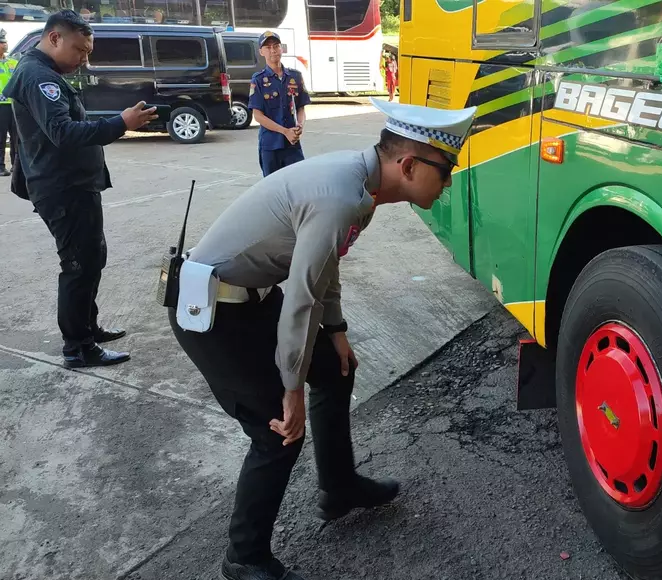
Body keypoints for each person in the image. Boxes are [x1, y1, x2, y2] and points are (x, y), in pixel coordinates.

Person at [167, 97, 477, 580]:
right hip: (212, 312)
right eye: (446, 168)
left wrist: (336, 331)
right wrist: (290, 386)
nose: (450, 180)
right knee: (279, 431)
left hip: (251, 295)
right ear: (409, 165)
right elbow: (303, 297)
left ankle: (339, 487)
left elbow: (321, 268)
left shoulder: (362, 184)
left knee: (335, 369)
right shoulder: (343, 196)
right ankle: (244, 558)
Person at [4, 10, 157, 368]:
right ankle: (78, 347)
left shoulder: (46, 73)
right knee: (77, 265)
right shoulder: (38, 76)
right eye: (79, 50)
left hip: (74, 187)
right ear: (55, 38)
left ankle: (88, 328)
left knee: (91, 259)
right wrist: (121, 123)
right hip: (63, 190)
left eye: (88, 51)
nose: (84, 59)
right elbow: (63, 133)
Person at [249, 30, 309, 177]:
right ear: (261, 52)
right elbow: (258, 116)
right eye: (268, 47)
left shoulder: (295, 76)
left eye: (276, 46)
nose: (273, 50)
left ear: (281, 48)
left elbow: (301, 107)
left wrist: (300, 125)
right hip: (270, 146)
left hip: (292, 145)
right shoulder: (258, 80)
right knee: (272, 190)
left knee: (298, 185)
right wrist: (285, 131)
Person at [0, 28, 18, 176]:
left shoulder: (12, 62)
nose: (4, 45)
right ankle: (0, 167)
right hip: (0, 106)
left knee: (17, 137)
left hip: (14, 104)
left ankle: (16, 165)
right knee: (0, 137)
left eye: (5, 42)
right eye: (1, 42)